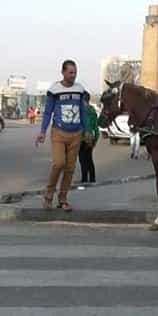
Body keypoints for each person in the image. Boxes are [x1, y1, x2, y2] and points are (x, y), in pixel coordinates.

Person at [35, 60, 90, 212]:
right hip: (59, 132)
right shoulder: (54, 90)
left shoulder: (80, 90)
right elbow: (47, 113)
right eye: (70, 72)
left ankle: (63, 199)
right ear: (63, 73)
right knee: (59, 163)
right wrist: (42, 132)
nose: (73, 75)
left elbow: (83, 112)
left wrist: (87, 131)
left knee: (70, 168)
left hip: (76, 134)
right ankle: (48, 195)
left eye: (75, 72)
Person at [78, 92, 99, 184]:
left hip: (83, 137)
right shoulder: (92, 109)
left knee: (83, 159)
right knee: (89, 158)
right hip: (92, 137)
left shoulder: (82, 110)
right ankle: (91, 178)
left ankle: (85, 179)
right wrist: (96, 138)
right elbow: (95, 125)